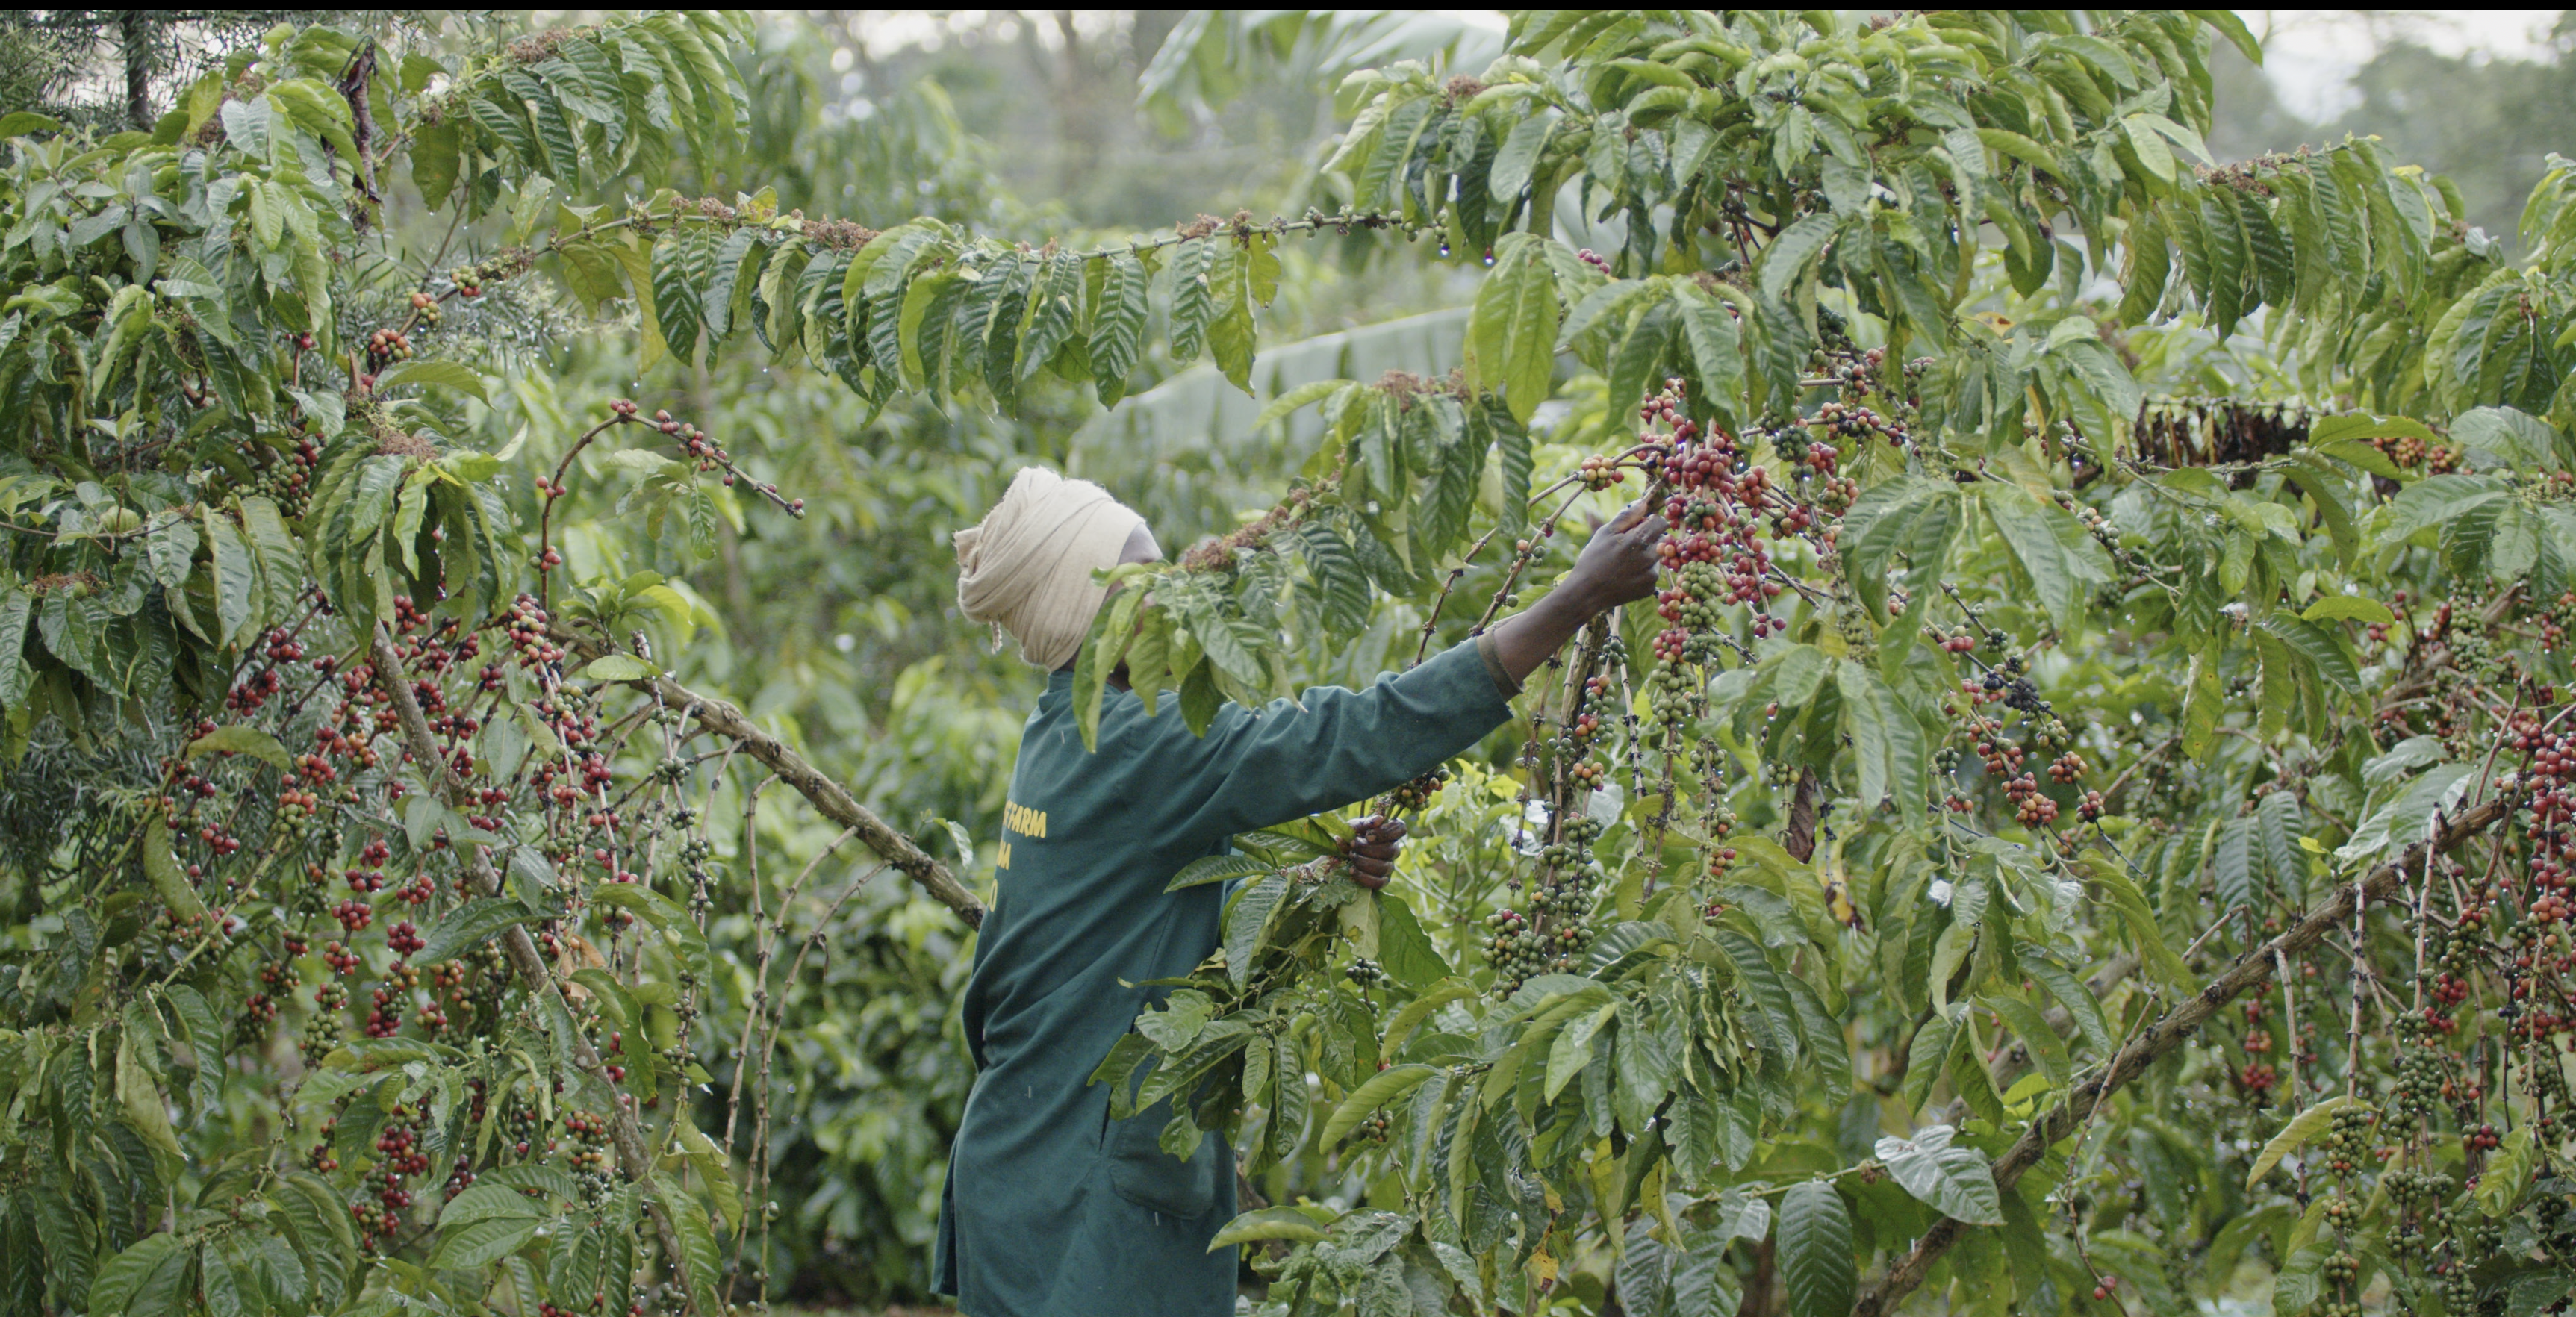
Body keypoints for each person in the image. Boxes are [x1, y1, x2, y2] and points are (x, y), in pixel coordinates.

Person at [931, 467, 1664, 1316]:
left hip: (1023, 1164)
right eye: (1142, 582)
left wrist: (1305, 873)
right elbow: (1355, 732)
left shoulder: (1063, 727)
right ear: (1083, 616)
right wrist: (1574, 599)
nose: (1174, 599)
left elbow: (1124, 897)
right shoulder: (1136, 743)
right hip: (1075, 1209)